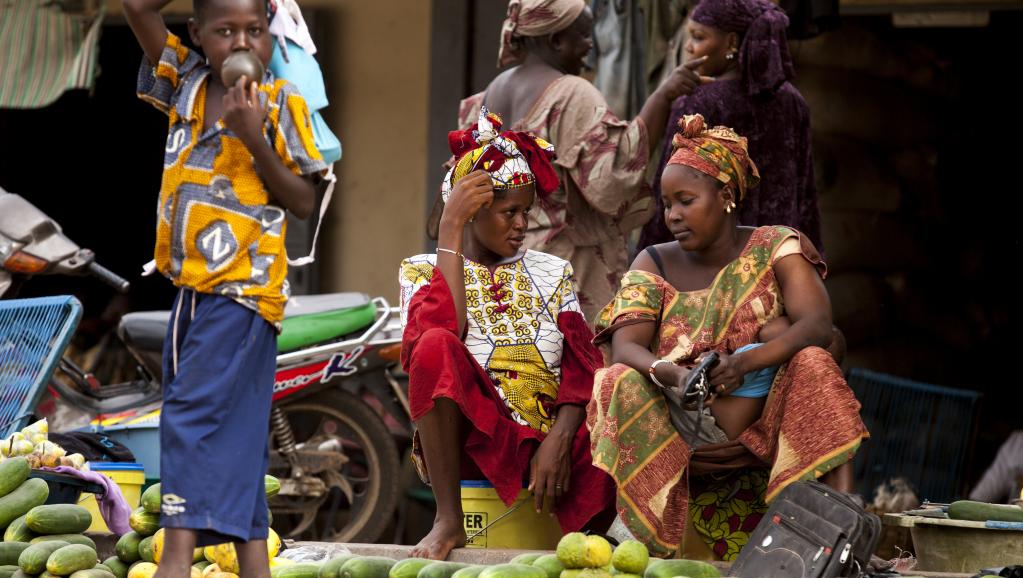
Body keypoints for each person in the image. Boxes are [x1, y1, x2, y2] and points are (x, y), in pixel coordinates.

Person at [588, 114, 867, 560]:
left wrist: (743, 364)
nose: (673, 215)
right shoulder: (653, 262)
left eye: (686, 200)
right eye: (667, 203)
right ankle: (639, 532)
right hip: (681, 419)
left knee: (813, 358)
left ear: (726, 195)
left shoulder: (775, 246)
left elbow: (816, 323)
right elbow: (626, 347)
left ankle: (845, 512)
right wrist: (671, 375)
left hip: (765, 418)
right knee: (615, 378)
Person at [123, 0, 326, 575]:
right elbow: (136, 7)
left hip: (245, 290)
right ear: (197, 35)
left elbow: (304, 202)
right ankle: (255, 565)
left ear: (271, 36)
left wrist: (253, 135)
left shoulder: (282, 103)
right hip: (191, 288)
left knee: (186, 414)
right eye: (225, 30)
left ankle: (177, 560)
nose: (243, 42)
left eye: (256, 31)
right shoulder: (184, 80)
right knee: (236, 432)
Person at [401, 108, 614, 560]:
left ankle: (600, 535)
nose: (522, 225)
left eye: (527, 212)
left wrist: (557, 438)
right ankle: (447, 520)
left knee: (622, 384)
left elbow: (581, 366)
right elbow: (445, 334)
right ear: (473, 213)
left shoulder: (552, 270)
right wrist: (450, 229)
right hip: (474, 442)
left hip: (552, 444)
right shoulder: (421, 272)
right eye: (508, 212)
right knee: (434, 344)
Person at [446, 0, 712, 320]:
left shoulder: (488, 95)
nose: (590, 45)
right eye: (584, 36)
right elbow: (614, 175)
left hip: (497, 264)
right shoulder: (572, 93)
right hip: (559, 266)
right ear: (556, 41)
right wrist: (662, 96)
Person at [639, 0, 823, 253]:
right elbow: (805, 194)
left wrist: (653, 258)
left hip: (713, 267)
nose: (689, 48)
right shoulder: (793, 102)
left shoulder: (696, 104)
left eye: (698, 37)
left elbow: (671, 189)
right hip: (776, 261)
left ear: (731, 43)